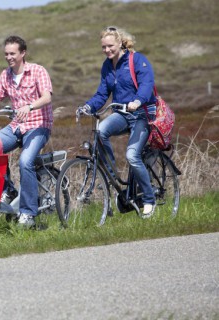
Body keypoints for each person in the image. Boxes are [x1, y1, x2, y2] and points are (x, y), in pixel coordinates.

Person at [76, 26, 157, 218]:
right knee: (101, 130)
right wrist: (88, 107)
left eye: (110, 46)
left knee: (132, 156)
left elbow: (147, 85)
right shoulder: (107, 66)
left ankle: (148, 199)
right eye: (103, 47)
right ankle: (113, 173)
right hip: (122, 113)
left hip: (142, 113)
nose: (107, 50)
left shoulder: (137, 60)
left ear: (120, 43)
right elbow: (102, 93)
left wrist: (137, 101)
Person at [0, 35, 53, 228]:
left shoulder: (37, 71)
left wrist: (30, 107)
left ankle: (28, 214)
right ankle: (8, 190)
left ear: (23, 53)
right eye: (6, 54)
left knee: (25, 161)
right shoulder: (5, 75)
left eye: (12, 53)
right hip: (16, 126)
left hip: (38, 125)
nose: (9, 57)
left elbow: (46, 97)